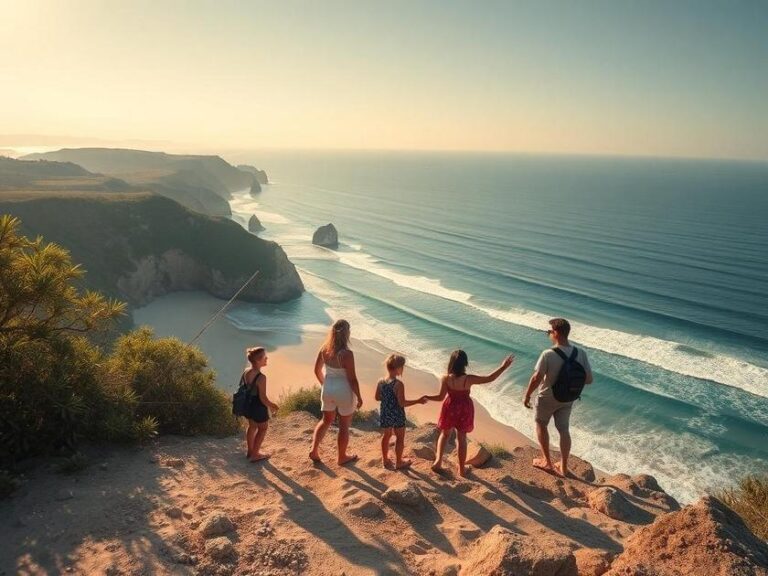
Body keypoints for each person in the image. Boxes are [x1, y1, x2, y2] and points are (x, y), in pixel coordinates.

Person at [426, 350, 514, 477]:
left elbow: (440, 397)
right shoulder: (469, 379)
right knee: (461, 439)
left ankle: (438, 462)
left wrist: (427, 397)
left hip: (450, 408)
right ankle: (461, 470)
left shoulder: (445, 378)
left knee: (445, 435)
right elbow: (489, 378)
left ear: (451, 363)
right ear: (465, 364)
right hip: (464, 409)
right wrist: (503, 367)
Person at [523, 317, 593, 477]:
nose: (548, 334)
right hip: (568, 399)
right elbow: (589, 379)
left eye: (549, 331)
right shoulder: (580, 353)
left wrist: (527, 395)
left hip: (547, 398)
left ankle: (547, 462)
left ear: (556, 333)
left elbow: (536, 378)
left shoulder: (548, 354)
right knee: (563, 430)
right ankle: (564, 466)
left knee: (541, 424)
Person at [309, 319, 363, 465]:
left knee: (326, 420)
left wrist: (324, 385)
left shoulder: (324, 349)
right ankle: (342, 457)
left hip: (328, 387)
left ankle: (314, 450)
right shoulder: (347, 354)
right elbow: (352, 379)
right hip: (344, 390)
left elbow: (316, 370)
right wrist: (359, 396)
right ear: (347, 334)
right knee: (344, 425)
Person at [375, 354, 427, 469]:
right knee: (399, 437)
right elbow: (402, 403)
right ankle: (399, 462)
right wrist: (418, 401)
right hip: (397, 414)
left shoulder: (381, 382)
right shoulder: (398, 384)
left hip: (385, 412)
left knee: (386, 436)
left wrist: (387, 399)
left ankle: (385, 459)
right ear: (398, 368)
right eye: (402, 367)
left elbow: (377, 397)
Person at [242, 347, 279, 462]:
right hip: (258, 406)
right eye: (264, 357)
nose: (267, 358)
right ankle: (255, 454)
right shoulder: (261, 377)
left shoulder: (246, 371)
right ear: (258, 360)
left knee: (252, 426)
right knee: (263, 428)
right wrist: (273, 405)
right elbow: (263, 399)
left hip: (247, 404)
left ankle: (250, 451)